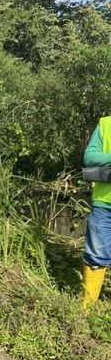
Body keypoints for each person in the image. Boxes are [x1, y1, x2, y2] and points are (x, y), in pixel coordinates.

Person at [82, 115, 111, 309]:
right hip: (104, 204)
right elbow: (90, 157)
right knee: (96, 255)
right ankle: (88, 309)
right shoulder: (106, 124)